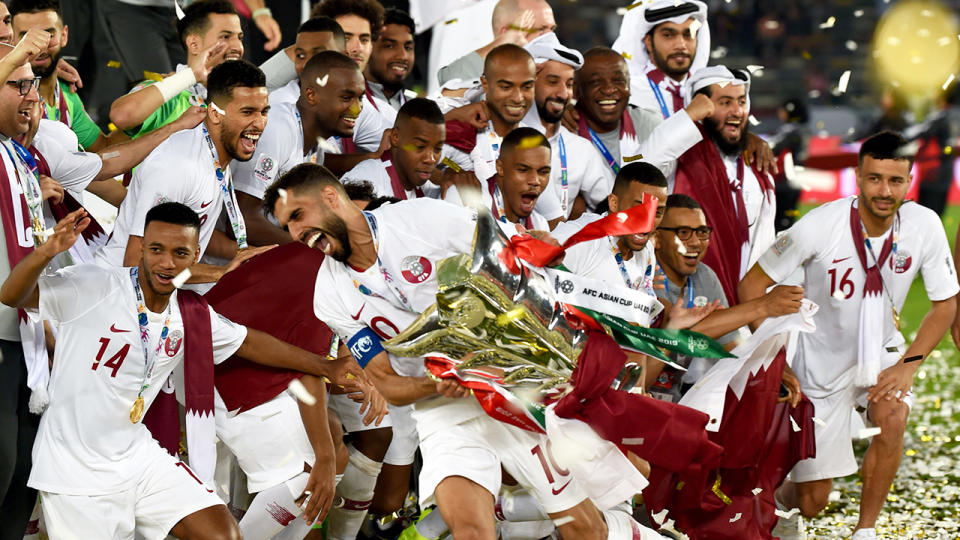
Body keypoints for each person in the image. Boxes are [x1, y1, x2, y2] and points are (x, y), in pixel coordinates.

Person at [265, 163, 655, 539]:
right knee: (470, 532)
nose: (297, 232)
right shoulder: (329, 294)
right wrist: (441, 385)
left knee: (585, 530)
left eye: (298, 215)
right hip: (445, 411)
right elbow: (387, 383)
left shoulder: (421, 219)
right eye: (287, 227)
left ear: (331, 196)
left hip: (515, 391)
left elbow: (510, 262)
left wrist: (538, 252)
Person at [0, 202, 369, 539]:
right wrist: (46, 252)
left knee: (223, 535)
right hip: (76, 473)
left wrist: (326, 366)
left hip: (138, 457)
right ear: (142, 247)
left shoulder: (190, 312)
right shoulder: (96, 285)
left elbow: (251, 342)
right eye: (156, 250)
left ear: (195, 256)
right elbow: (12, 296)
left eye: (180, 254)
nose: (166, 264)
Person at [739, 131, 959, 540]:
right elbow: (751, 288)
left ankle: (865, 531)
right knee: (813, 500)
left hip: (883, 351)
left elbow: (945, 303)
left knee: (892, 419)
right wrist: (778, 362)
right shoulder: (819, 227)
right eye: (875, 179)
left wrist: (909, 366)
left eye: (895, 181)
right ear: (858, 176)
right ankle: (784, 503)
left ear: (909, 181)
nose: (885, 191)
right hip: (819, 366)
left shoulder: (923, 225)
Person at [95, 60, 271, 282]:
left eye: (264, 111)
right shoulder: (178, 165)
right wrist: (221, 273)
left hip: (157, 293)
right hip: (117, 293)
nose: (260, 123)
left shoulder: (216, 156)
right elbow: (136, 262)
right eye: (248, 112)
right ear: (215, 114)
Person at [651, 193, 804, 402]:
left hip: (671, 403)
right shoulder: (648, 274)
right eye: (683, 233)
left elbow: (734, 344)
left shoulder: (705, 277)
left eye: (702, 232)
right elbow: (679, 333)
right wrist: (763, 306)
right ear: (656, 238)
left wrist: (770, 370)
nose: (696, 242)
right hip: (629, 395)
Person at [673, 66, 776, 306]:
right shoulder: (682, 161)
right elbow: (645, 158)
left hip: (752, 303)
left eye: (741, 101)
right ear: (703, 108)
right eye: (725, 102)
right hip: (698, 301)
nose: (737, 111)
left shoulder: (759, 168)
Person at [232, 50, 353, 247]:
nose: (357, 108)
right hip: (218, 266)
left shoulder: (316, 143)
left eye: (360, 98)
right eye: (346, 98)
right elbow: (241, 221)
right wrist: (310, 250)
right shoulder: (277, 129)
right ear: (312, 95)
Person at [567, 47, 707, 186]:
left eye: (618, 81)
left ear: (629, 86)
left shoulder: (650, 123)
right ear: (575, 90)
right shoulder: (565, 127)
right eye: (595, 82)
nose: (609, 89)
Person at [518, 32, 616, 224]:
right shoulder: (500, 137)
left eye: (569, 84)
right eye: (552, 82)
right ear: (529, 83)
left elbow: (610, 203)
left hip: (561, 250)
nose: (563, 93)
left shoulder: (580, 148)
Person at [108, 0, 244, 138]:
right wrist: (192, 76)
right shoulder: (169, 95)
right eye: (225, 37)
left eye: (239, 38)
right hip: (133, 9)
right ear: (194, 44)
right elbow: (122, 115)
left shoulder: (250, 91)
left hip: (172, 9)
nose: (237, 47)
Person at [10, 0, 110, 151]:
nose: (40, 48)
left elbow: (104, 150)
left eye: (48, 35)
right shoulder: (8, 98)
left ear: (64, 35)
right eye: (27, 38)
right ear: (11, 41)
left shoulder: (66, 93)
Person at [441, 43, 535, 185]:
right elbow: (425, 159)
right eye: (506, 87)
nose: (518, 98)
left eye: (527, 87)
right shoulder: (460, 131)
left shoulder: (535, 140)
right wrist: (451, 171)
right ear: (485, 84)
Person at [612, 0, 710, 113]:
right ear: (648, 42)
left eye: (688, 35)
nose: (681, 45)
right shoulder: (629, 97)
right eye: (668, 35)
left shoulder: (710, 95)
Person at [445, 126, 551, 231]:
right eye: (523, 170)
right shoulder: (463, 200)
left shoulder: (540, 226)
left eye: (543, 172)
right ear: (500, 168)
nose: (535, 181)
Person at [340, 97, 444, 200]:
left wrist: (451, 172)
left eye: (438, 149)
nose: (431, 159)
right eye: (420, 147)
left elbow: (454, 166)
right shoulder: (365, 181)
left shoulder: (428, 188)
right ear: (395, 137)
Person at [437, 0, 555, 87]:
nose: (550, 37)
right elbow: (449, 79)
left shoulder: (555, 70)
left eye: (552, 29)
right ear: (506, 34)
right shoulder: (487, 85)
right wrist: (504, 41)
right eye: (541, 29)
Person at [364, 8, 417, 113]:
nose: (403, 56)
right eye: (389, 46)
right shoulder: (348, 103)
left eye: (408, 47)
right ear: (368, 48)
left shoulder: (418, 110)